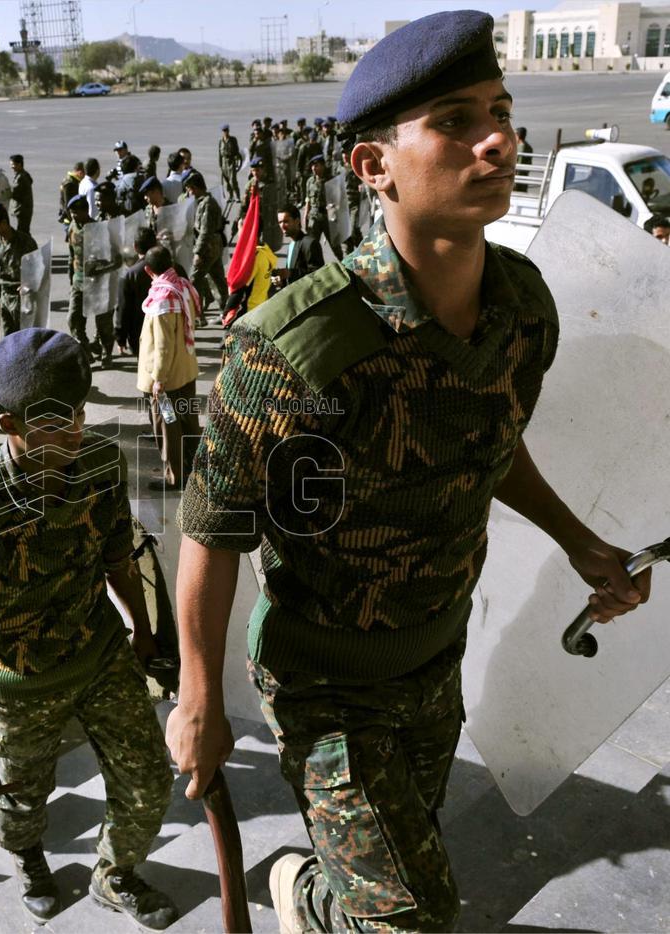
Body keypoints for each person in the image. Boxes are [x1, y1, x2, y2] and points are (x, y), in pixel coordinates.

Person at [166, 12, 653, 934]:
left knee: (406, 852)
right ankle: (308, 893)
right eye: (456, 120)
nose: (499, 139)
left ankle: (321, 893)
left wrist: (584, 545)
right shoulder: (296, 353)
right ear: (373, 166)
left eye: (502, 111)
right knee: (408, 918)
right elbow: (211, 532)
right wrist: (197, 701)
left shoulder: (521, 307)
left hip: (436, 649)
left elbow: (491, 445)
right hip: (326, 684)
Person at [0, 328, 178, 929]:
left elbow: (118, 554)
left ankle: (115, 875)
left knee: (147, 780)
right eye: (55, 424)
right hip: (17, 683)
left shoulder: (101, 464)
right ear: (9, 424)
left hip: (100, 650)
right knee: (21, 800)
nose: (75, 433)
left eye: (80, 414)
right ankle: (27, 857)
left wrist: (140, 628)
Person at [138, 246, 201, 491]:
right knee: (189, 423)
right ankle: (196, 470)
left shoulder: (163, 297)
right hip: (186, 371)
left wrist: (158, 380)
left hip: (166, 379)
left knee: (167, 424)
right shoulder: (183, 286)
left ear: (148, 270)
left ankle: (174, 477)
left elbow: (163, 346)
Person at [66, 194, 115, 366]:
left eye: (75, 213)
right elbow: (71, 254)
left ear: (85, 211)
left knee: (103, 321)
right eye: (71, 212)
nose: (72, 216)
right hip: (78, 281)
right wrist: (70, 277)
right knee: (73, 319)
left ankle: (106, 352)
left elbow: (110, 258)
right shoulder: (72, 226)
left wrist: (100, 269)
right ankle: (85, 348)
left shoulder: (98, 229)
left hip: (98, 282)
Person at [0, 202, 38, 338]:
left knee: (24, 339)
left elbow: (38, 270)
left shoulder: (25, 242)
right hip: (4, 298)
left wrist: (28, 285)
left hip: (22, 299)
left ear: (4, 222)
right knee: (8, 340)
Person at [185, 172, 229, 316]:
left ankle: (197, 315)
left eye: (190, 189)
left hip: (208, 247)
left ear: (196, 187)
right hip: (213, 246)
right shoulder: (204, 202)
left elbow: (205, 231)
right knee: (217, 279)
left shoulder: (207, 204)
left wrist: (198, 252)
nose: (189, 192)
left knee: (194, 280)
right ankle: (227, 310)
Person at [115, 226, 158, 356]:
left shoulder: (130, 275)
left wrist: (120, 338)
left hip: (140, 333)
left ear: (134, 246)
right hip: (169, 329)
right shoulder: (170, 267)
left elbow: (123, 309)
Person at [274, 203, 324, 288]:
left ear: (297, 221)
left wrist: (290, 273)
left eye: (286, 221)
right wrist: (282, 282)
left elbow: (318, 276)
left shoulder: (309, 243)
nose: (282, 226)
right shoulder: (291, 244)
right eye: (280, 222)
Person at [9, 154, 34, 235]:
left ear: (19, 164)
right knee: (24, 230)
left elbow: (13, 192)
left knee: (23, 232)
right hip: (25, 209)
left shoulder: (21, 177)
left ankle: (29, 247)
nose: (11, 167)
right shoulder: (23, 174)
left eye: (13, 164)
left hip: (23, 210)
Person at [218, 124, 242, 202]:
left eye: (227, 130)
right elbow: (219, 153)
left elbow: (237, 151)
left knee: (233, 180)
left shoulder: (233, 140)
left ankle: (237, 196)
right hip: (224, 162)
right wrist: (220, 164)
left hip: (231, 161)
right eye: (224, 131)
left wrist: (237, 161)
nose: (226, 132)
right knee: (226, 181)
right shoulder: (221, 141)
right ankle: (231, 196)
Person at [515, 125, 534, 192]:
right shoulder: (529, 147)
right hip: (524, 176)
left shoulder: (519, 147)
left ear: (517, 135)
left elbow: (519, 163)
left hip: (518, 178)